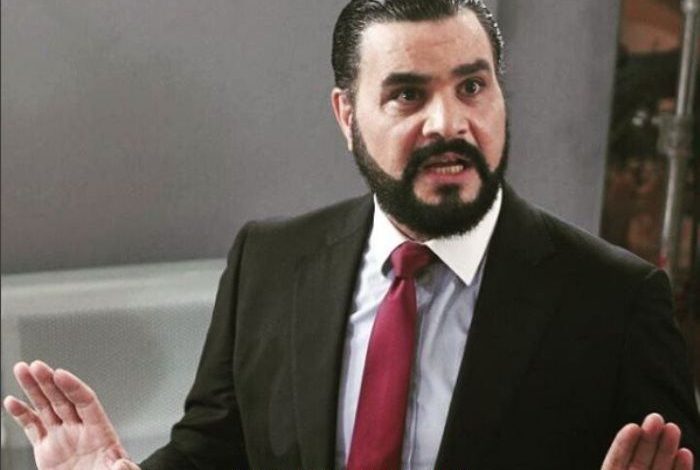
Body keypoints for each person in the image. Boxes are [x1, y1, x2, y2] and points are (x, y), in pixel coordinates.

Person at [4, 1, 700, 469]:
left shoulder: (617, 300)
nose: (448, 123)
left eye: (471, 87)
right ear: (346, 115)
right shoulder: (269, 262)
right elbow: (215, 450)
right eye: (408, 94)